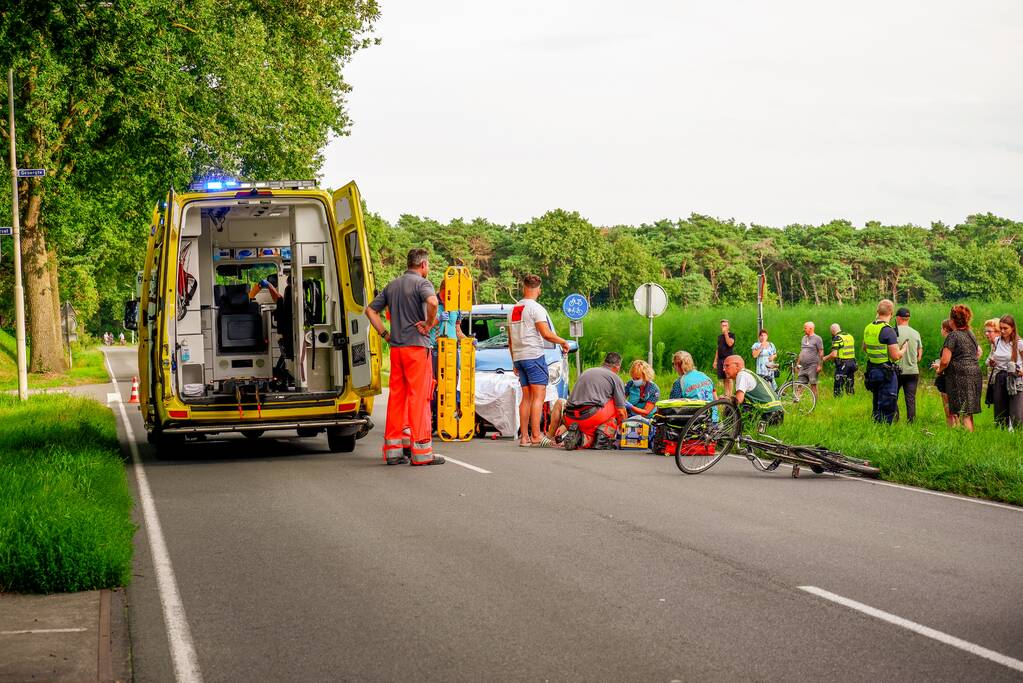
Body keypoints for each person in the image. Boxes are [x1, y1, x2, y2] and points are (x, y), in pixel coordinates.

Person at [365, 248, 445, 466]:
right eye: (428, 265)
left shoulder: (393, 285)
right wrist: (429, 324)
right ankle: (422, 453)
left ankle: (393, 451)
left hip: (397, 349)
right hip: (416, 350)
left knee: (397, 398)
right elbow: (434, 303)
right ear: (423, 265)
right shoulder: (422, 283)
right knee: (419, 398)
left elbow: (370, 311)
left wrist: (385, 334)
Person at [508, 274, 570, 448]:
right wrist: (563, 341)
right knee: (538, 396)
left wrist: (514, 361)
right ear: (539, 289)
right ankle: (536, 435)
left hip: (519, 357)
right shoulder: (536, 308)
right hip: (533, 356)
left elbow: (510, 340)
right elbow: (545, 333)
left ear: (523, 287)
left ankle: (524, 437)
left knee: (526, 397)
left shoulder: (513, 309)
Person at [553, 352, 628, 450]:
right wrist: (624, 430)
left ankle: (580, 438)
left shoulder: (587, 371)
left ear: (603, 363)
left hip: (569, 417)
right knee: (617, 403)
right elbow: (621, 412)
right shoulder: (615, 378)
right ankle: (602, 439)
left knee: (590, 434)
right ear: (618, 367)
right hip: (591, 417)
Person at [936, 304, 983, 432]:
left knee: (963, 412)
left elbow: (945, 360)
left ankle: (966, 441)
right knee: (968, 411)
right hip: (975, 374)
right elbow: (978, 352)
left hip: (960, 377)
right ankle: (971, 438)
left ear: (952, 320)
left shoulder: (953, 336)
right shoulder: (970, 333)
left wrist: (939, 370)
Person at [862, 299, 906, 424]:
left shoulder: (868, 327)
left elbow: (865, 347)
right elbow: (895, 356)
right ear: (891, 313)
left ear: (878, 311)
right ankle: (884, 430)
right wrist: (903, 349)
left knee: (876, 400)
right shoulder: (888, 330)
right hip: (885, 371)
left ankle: (876, 426)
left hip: (872, 371)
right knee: (887, 402)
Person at [722, 354, 784, 425]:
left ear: (737, 365)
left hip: (770, 415)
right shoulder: (747, 373)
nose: (724, 369)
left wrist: (726, 399)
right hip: (777, 414)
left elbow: (738, 400)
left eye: (727, 366)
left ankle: (732, 432)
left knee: (730, 408)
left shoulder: (742, 375)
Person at [986, 314, 1023, 430]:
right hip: (1000, 377)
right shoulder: (997, 341)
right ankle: (1002, 437)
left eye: (1005, 328)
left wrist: (1022, 370)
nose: (1002, 331)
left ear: (1012, 328)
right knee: (1000, 413)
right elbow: (994, 357)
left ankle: (1018, 436)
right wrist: (992, 362)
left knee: (1016, 413)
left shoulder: (1019, 343)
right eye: (1001, 328)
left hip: (1015, 378)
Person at [894, 307, 923, 423]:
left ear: (897, 318)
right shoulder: (916, 333)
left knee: (893, 396)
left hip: (896, 371)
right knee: (910, 399)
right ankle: (911, 423)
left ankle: (895, 420)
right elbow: (919, 355)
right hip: (912, 371)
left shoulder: (892, 332)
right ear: (908, 318)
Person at [931, 319, 954, 426]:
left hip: (947, 377)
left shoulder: (949, 341)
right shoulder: (960, 338)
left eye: (941, 328)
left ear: (945, 329)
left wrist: (939, 367)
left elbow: (945, 362)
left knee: (948, 408)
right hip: (956, 376)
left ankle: (951, 429)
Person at [823, 323, 856, 397]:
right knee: (850, 384)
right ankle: (851, 400)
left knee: (838, 386)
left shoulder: (837, 338)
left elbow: (834, 354)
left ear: (832, 331)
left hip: (843, 365)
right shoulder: (849, 336)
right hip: (852, 363)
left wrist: (824, 358)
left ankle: (838, 401)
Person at [797, 321, 824, 400]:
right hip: (803, 366)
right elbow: (801, 351)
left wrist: (820, 365)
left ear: (811, 328)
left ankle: (815, 402)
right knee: (800, 384)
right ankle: (796, 402)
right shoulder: (804, 338)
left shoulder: (817, 338)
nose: (804, 329)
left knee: (813, 385)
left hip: (813, 366)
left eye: (805, 328)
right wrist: (798, 363)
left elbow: (821, 352)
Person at [713, 319, 736, 396]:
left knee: (729, 377)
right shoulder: (719, 337)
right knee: (724, 378)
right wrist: (715, 361)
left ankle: (730, 395)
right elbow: (718, 349)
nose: (724, 327)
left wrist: (726, 333)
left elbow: (730, 344)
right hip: (720, 359)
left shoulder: (732, 335)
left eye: (725, 325)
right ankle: (726, 394)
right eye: (723, 325)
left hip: (728, 359)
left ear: (728, 326)